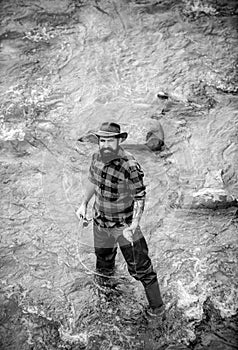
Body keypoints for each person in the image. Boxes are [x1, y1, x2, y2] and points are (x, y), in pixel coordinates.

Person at [76, 122, 164, 317]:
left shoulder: (130, 166)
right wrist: (83, 204)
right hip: (100, 223)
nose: (105, 144)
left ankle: (158, 310)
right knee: (103, 262)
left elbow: (140, 197)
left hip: (124, 226)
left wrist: (134, 225)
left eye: (110, 140)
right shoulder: (96, 157)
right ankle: (107, 299)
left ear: (120, 140)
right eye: (102, 140)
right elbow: (93, 180)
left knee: (142, 270)